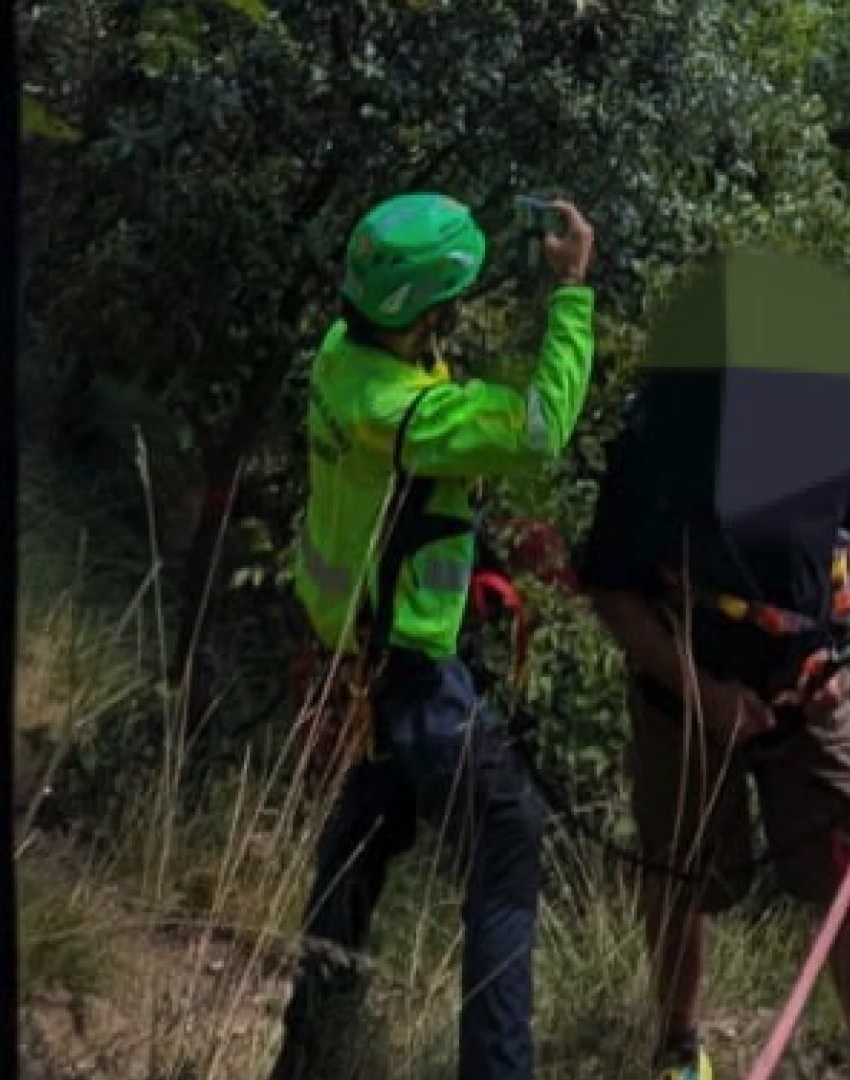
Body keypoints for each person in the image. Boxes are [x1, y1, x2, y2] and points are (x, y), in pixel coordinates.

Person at [271, 192, 599, 1080]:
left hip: (364, 668)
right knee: (507, 834)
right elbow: (538, 430)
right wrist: (570, 293)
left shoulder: (342, 362)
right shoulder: (413, 417)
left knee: (361, 843)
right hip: (414, 676)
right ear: (427, 311)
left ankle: (310, 1053)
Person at [574, 371, 850, 1080]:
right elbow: (610, 588)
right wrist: (705, 696)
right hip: (684, 694)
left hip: (804, 687)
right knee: (678, 863)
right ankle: (678, 1045)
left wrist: (832, 643)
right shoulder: (657, 444)